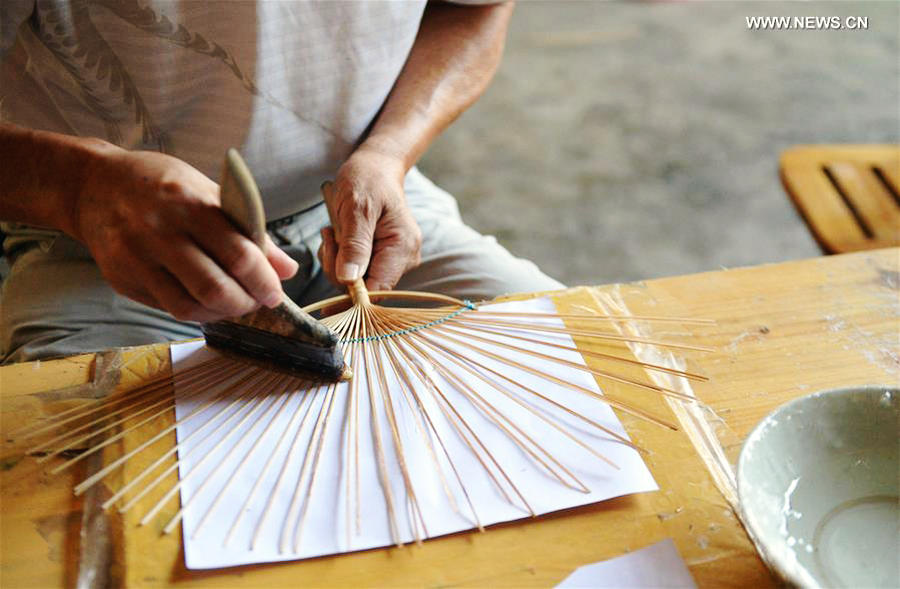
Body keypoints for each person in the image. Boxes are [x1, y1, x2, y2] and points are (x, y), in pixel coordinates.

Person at [0, 0, 563, 364]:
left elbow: (474, 9)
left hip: (362, 203)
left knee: (566, 365)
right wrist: (81, 187)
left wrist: (389, 153)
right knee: (101, 503)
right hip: (103, 245)